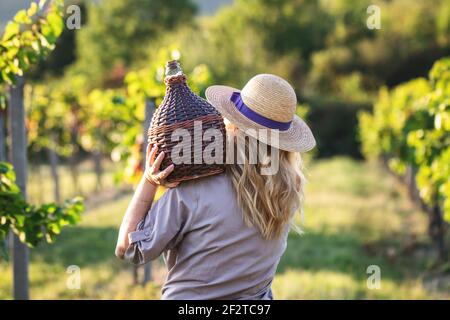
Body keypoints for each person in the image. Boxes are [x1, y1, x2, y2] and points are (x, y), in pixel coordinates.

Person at [115, 74, 316, 299]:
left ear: (232, 125)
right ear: (285, 146)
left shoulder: (194, 189)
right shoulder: (285, 195)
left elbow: (128, 247)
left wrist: (149, 181)